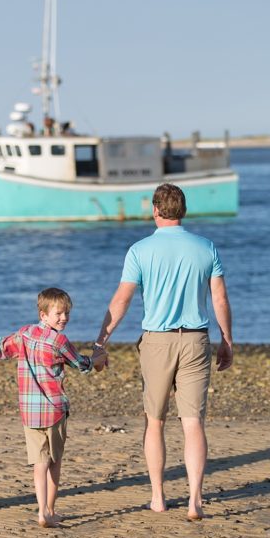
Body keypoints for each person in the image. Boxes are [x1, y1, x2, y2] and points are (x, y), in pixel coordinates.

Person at [94, 183, 233, 520]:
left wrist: (101, 341)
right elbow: (219, 299)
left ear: (155, 210)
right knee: (193, 423)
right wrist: (228, 339)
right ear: (183, 210)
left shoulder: (140, 250)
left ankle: (158, 497)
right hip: (196, 339)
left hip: (157, 340)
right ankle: (194, 501)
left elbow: (122, 300)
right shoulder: (206, 247)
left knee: (154, 422)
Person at [0, 288, 106, 528]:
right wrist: (99, 359)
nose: (64, 318)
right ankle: (51, 511)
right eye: (59, 314)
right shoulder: (60, 341)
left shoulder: (25, 333)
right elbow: (81, 364)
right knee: (55, 461)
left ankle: (42, 511)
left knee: (39, 462)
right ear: (43, 315)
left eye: (66, 313)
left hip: (30, 411)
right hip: (54, 410)